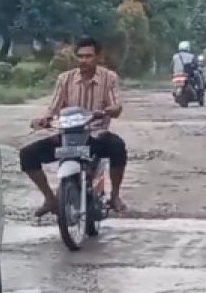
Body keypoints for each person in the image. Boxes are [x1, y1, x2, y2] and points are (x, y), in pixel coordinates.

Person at [19, 36, 128, 216]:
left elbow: (117, 106)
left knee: (118, 147)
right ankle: (49, 198)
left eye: (88, 56)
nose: (84, 60)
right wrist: (44, 120)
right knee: (27, 154)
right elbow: (53, 108)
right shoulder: (65, 79)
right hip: (68, 136)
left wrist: (109, 110)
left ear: (98, 57)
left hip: (95, 135)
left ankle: (115, 196)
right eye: (80, 56)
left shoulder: (109, 78)